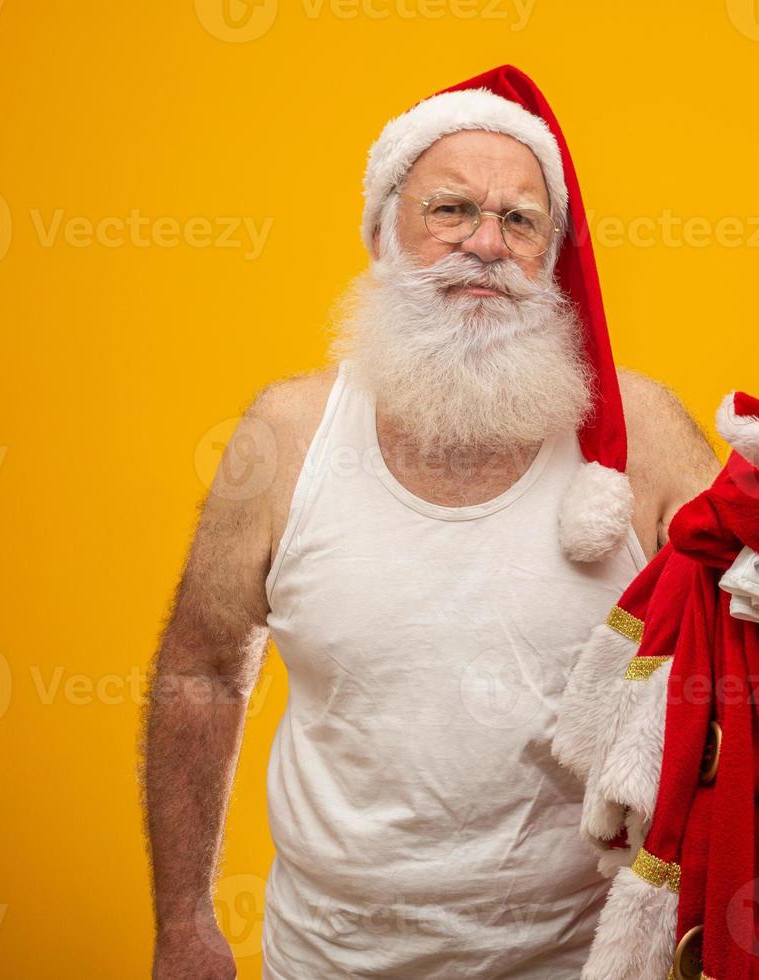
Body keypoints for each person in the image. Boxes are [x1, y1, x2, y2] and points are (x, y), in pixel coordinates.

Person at [142, 65, 722, 980]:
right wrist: (184, 923)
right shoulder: (287, 437)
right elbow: (202, 667)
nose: (485, 245)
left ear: (553, 258)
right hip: (328, 959)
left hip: (589, 960)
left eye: (520, 221)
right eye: (450, 211)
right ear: (383, 233)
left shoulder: (640, 438)